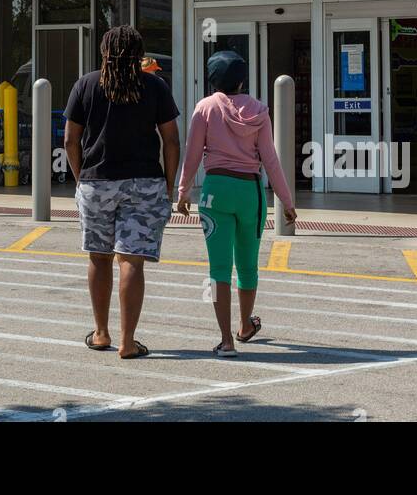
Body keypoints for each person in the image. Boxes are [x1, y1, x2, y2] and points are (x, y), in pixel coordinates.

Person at [63, 25, 180, 360]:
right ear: (139, 53)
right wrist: (168, 186)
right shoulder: (154, 85)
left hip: (96, 182)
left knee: (99, 257)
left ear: (104, 51)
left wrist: (81, 178)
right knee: (131, 261)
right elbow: (171, 140)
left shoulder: (86, 84)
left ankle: (101, 333)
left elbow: (71, 140)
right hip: (144, 183)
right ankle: (128, 342)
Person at [177, 51, 297, 357]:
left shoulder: (205, 108)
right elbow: (270, 159)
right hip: (250, 193)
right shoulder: (259, 111)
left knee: (218, 268)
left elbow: (192, 154)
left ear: (212, 80)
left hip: (215, 191)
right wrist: (286, 200)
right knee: (247, 265)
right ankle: (245, 325)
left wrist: (183, 191)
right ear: (243, 79)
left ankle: (226, 340)